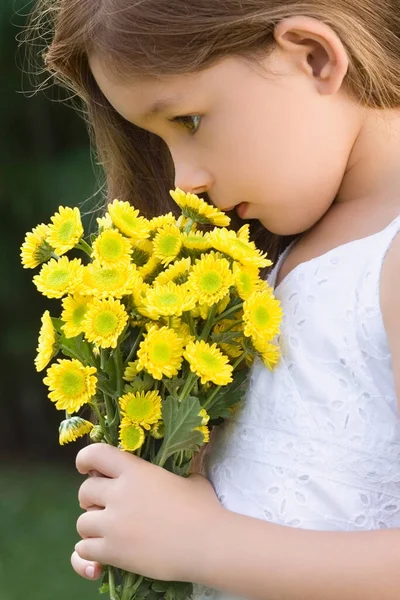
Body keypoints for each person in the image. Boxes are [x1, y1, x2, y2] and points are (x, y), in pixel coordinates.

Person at [24, 1, 400, 598]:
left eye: (189, 121)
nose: (181, 182)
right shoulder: (276, 255)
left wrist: (202, 543)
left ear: (314, 57)